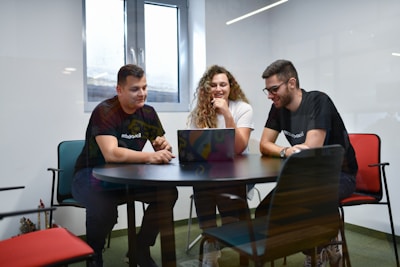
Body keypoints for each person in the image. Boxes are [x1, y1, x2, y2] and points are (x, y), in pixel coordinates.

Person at [72, 64, 178, 267]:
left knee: (167, 193)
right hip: (91, 175)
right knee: (105, 210)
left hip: (127, 177)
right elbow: (111, 154)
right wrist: (148, 157)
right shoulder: (105, 111)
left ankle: (140, 248)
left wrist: (163, 145)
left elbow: (161, 143)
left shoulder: (148, 113)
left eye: (145, 88)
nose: (142, 94)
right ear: (119, 90)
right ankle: (93, 257)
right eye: (135, 89)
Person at [255, 59, 358, 267]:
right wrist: (285, 150)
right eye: (267, 90)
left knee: (305, 199)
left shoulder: (318, 101)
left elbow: (311, 148)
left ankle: (317, 249)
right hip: (305, 177)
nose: (269, 96)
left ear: (291, 83)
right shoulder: (278, 108)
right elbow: (264, 144)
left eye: (274, 89)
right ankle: (321, 241)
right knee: (265, 210)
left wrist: (294, 151)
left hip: (340, 175)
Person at [187, 65, 254, 267]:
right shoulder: (198, 112)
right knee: (202, 186)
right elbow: (194, 148)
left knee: (221, 191)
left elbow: (238, 147)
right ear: (207, 88)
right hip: (208, 173)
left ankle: (225, 236)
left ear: (230, 86)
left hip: (236, 173)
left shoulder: (243, 108)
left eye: (223, 84)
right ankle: (210, 242)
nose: (218, 89)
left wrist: (226, 114)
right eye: (213, 85)